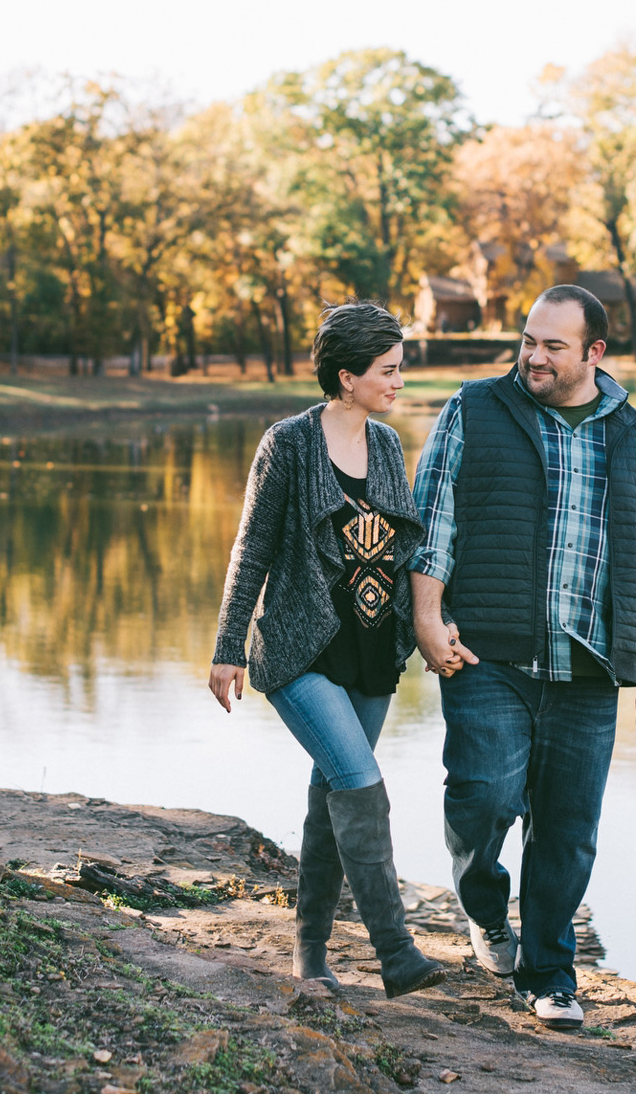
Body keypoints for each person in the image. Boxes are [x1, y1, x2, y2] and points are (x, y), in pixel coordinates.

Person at [408, 285, 636, 1030]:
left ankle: (551, 975)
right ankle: (486, 914)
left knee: (567, 830)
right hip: (487, 654)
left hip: (590, 668)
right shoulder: (474, 408)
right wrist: (427, 619)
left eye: (553, 346)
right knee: (483, 799)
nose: (533, 355)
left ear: (594, 353)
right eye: (528, 339)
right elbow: (433, 517)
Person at [209, 302, 448, 999]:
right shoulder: (287, 444)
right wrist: (229, 647)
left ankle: (309, 955)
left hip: (373, 653)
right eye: (388, 371)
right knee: (360, 783)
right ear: (347, 377)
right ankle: (397, 952)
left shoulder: (384, 446)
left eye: (399, 370)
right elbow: (251, 547)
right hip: (299, 649)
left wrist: (432, 626)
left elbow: (408, 548)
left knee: (332, 795)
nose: (399, 382)